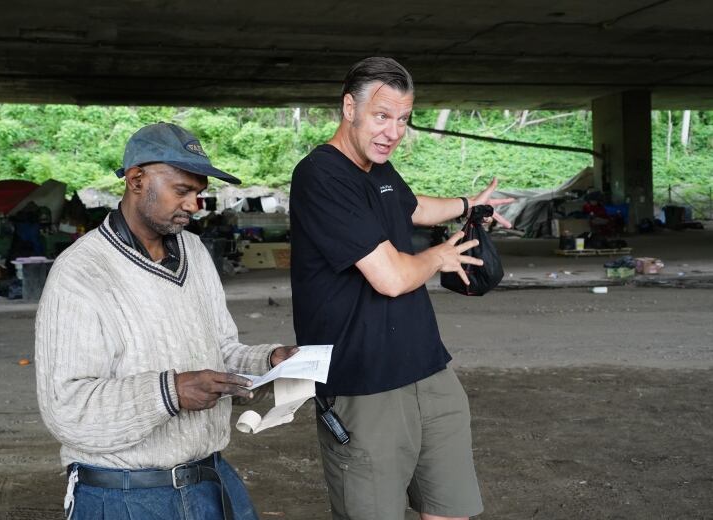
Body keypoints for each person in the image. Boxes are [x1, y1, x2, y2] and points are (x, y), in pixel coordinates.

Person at [35, 122, 297, 520]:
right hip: (122, 495)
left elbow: (221, 350)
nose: (194, 205)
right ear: (137, 180)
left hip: (209, 478)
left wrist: (269, 361)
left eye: (199, 193)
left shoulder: (195, 251)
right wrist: (169, 392)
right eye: (183, 191)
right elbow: (67, 408)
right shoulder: (81, 272)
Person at [289, 57, 513, 520]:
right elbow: (390, 278)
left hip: (426, 367)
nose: (393, 131)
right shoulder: (321, 176)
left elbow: (412, 208)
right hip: (364, 382)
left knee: (451, 508)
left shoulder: (379, 168)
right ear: (349, 107)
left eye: (403, 119)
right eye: (382, 116)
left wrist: (469, 203)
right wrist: (440, 257)